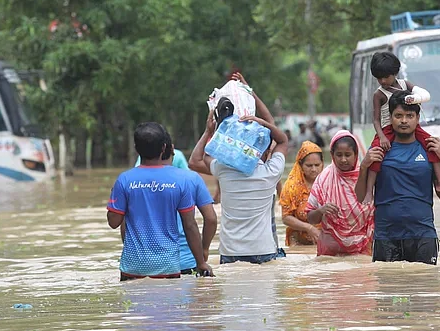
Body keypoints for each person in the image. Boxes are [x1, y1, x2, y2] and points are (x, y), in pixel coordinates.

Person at [189, 74, 288, 265]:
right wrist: (259, 118)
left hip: (230, 253)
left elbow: (195, 160)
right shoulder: (270, 172)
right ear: (267, 149)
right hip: (263, 251)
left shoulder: (224, 170)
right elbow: (282, 139)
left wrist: (209, 131)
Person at [355, 90, 440, 265]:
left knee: (423, 289)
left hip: (423, 235)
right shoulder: (380, 149)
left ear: (417, 118)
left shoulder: (429, 149)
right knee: (389, 289)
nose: (403, 121)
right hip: (386, 236)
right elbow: (361, 197)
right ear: (391, 118)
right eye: (398, 115)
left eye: (409, 116)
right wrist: (364, 166)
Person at [107, 122, 213, 280]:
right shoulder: (179, 181)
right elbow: (190, 225)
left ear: (136, 149)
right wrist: (201, 262)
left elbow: (114, 222)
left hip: (133, 267)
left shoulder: (124, 180)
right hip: (168, 266)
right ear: (164, 148)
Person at [364, 51, 440, 203]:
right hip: (387, 129)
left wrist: (414, 99)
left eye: (386, 77)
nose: (383, 81)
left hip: (411, 128)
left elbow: (424, 95)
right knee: (375, 153)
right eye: (379, 78)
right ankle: (369, 191)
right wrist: (382, 137)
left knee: (431, 145)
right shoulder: (379, 94)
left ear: (395, 73)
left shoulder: (406, 85)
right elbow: (376, 120)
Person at [129, 130, 217, 274]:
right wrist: (203, 251)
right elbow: (211, 219)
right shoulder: (191, 179)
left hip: (142, 263)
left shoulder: (129, 181)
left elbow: (123, 223)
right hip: (186, 261)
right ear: (170, 149)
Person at [306, 131, 374, 256]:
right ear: (332, 155)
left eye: (348, 155)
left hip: (362, 251)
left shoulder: (367, 176)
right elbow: (310, 218)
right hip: (331, 253)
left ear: (355, 154)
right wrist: (321, 210)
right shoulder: (323, 179)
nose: (343, 160)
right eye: (339, 155)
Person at [279, 141, 324, 246]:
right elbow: (286, 217)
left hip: (325, 239)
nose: (313, 169)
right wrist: (308, 228)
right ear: (300, 165)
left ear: (322, 163)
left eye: (317, 165)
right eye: (309, 166)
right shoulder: (291, 187)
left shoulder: (329, 183)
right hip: (299, 242)